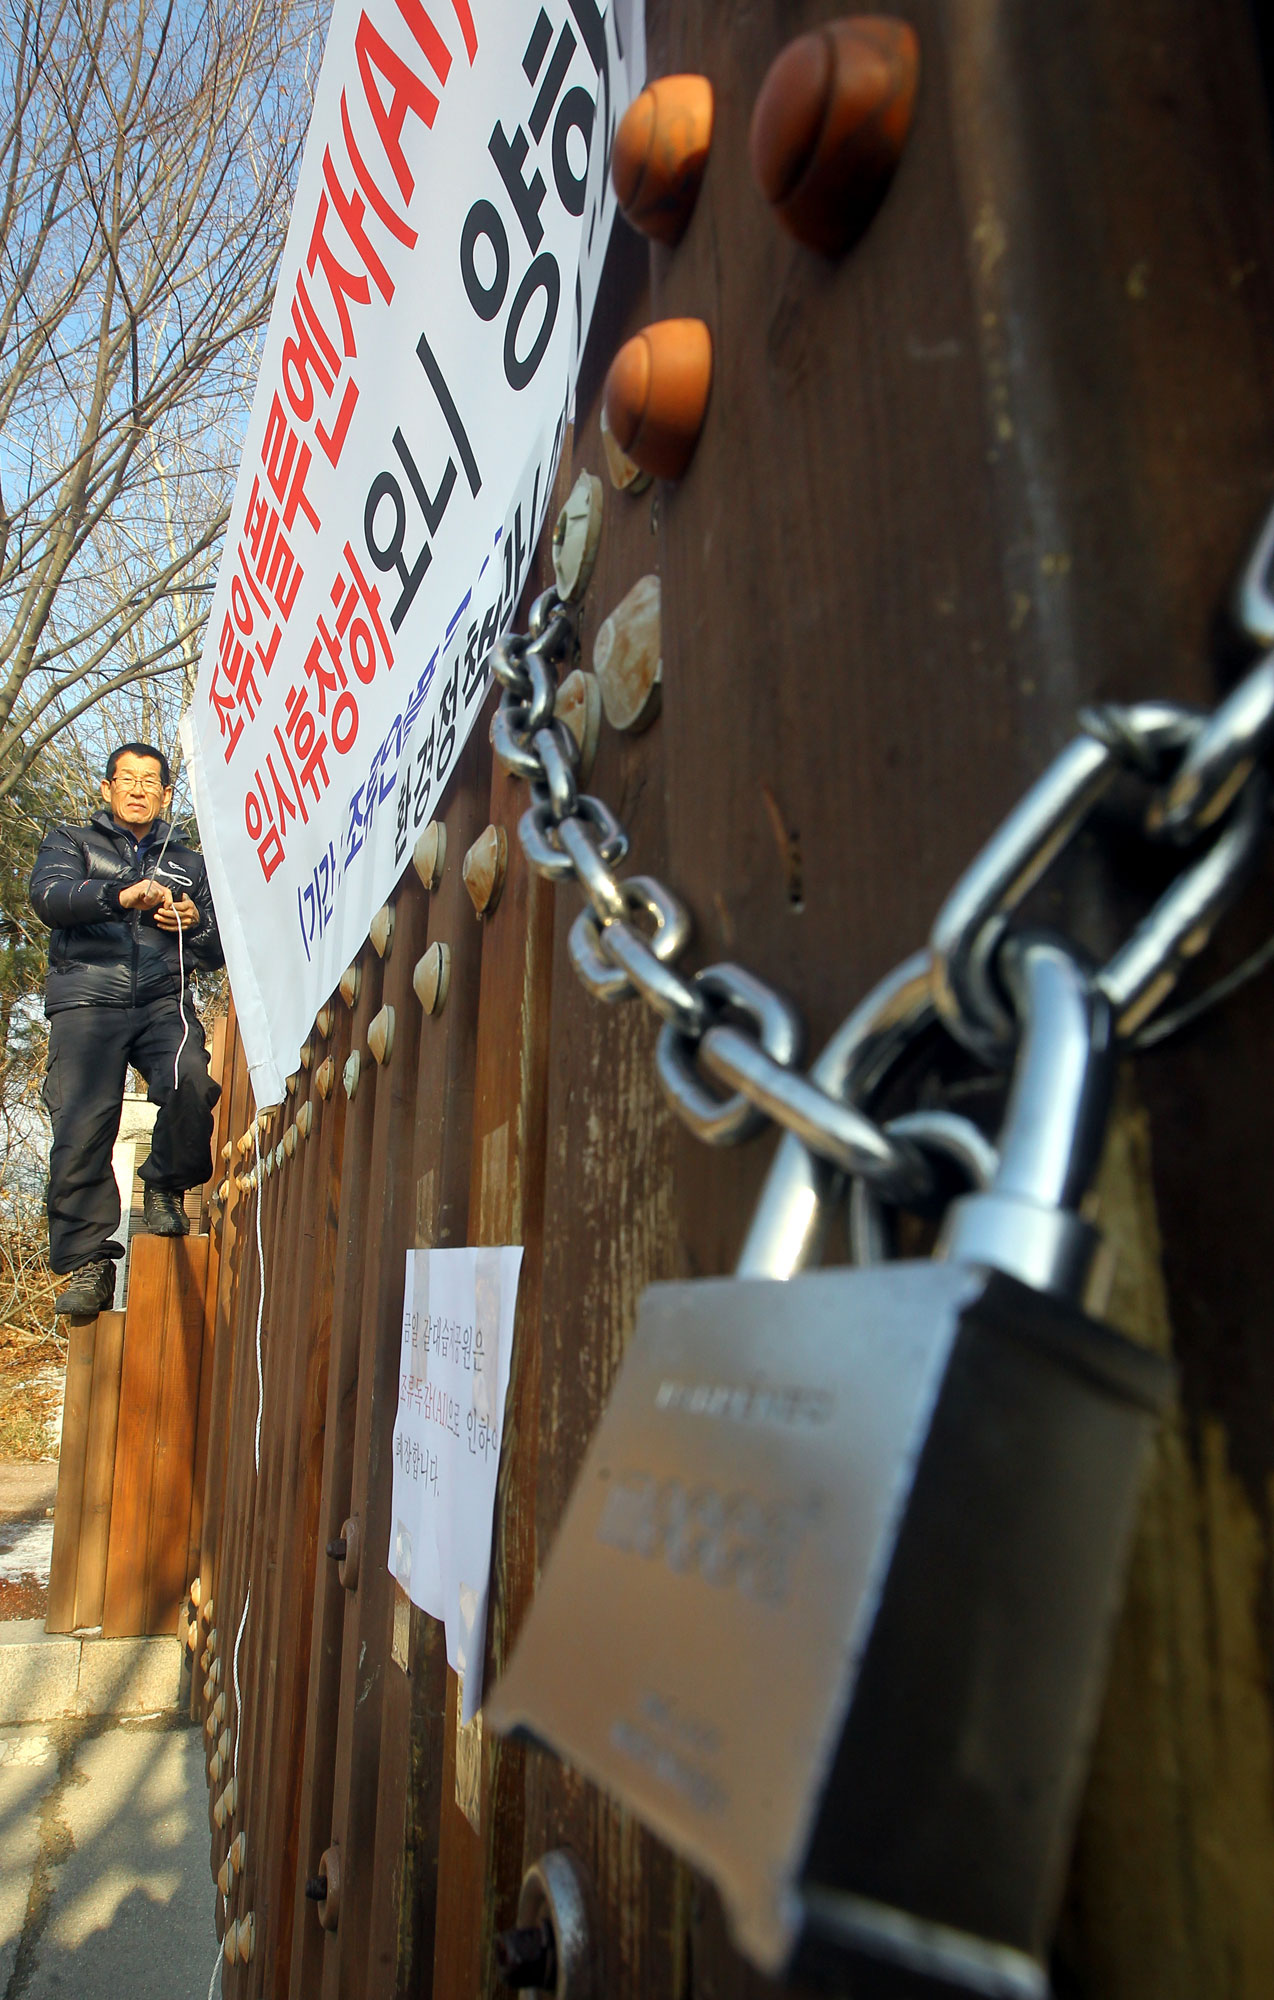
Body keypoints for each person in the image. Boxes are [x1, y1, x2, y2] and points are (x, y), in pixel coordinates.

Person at [29, 742, 224, 1315]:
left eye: (151, 782)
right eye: (127, 779)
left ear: (167, 794)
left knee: (193, 1080)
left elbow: (216, 945)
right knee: (81, 1125)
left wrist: (194, 922)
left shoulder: (188, 861)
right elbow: (50, 897)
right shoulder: (70, 841)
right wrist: (118, 896)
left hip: (163, 999)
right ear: (108, 788)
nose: (138, 789)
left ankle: (166, 1182)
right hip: (88, 999)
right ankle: (87, 1262)